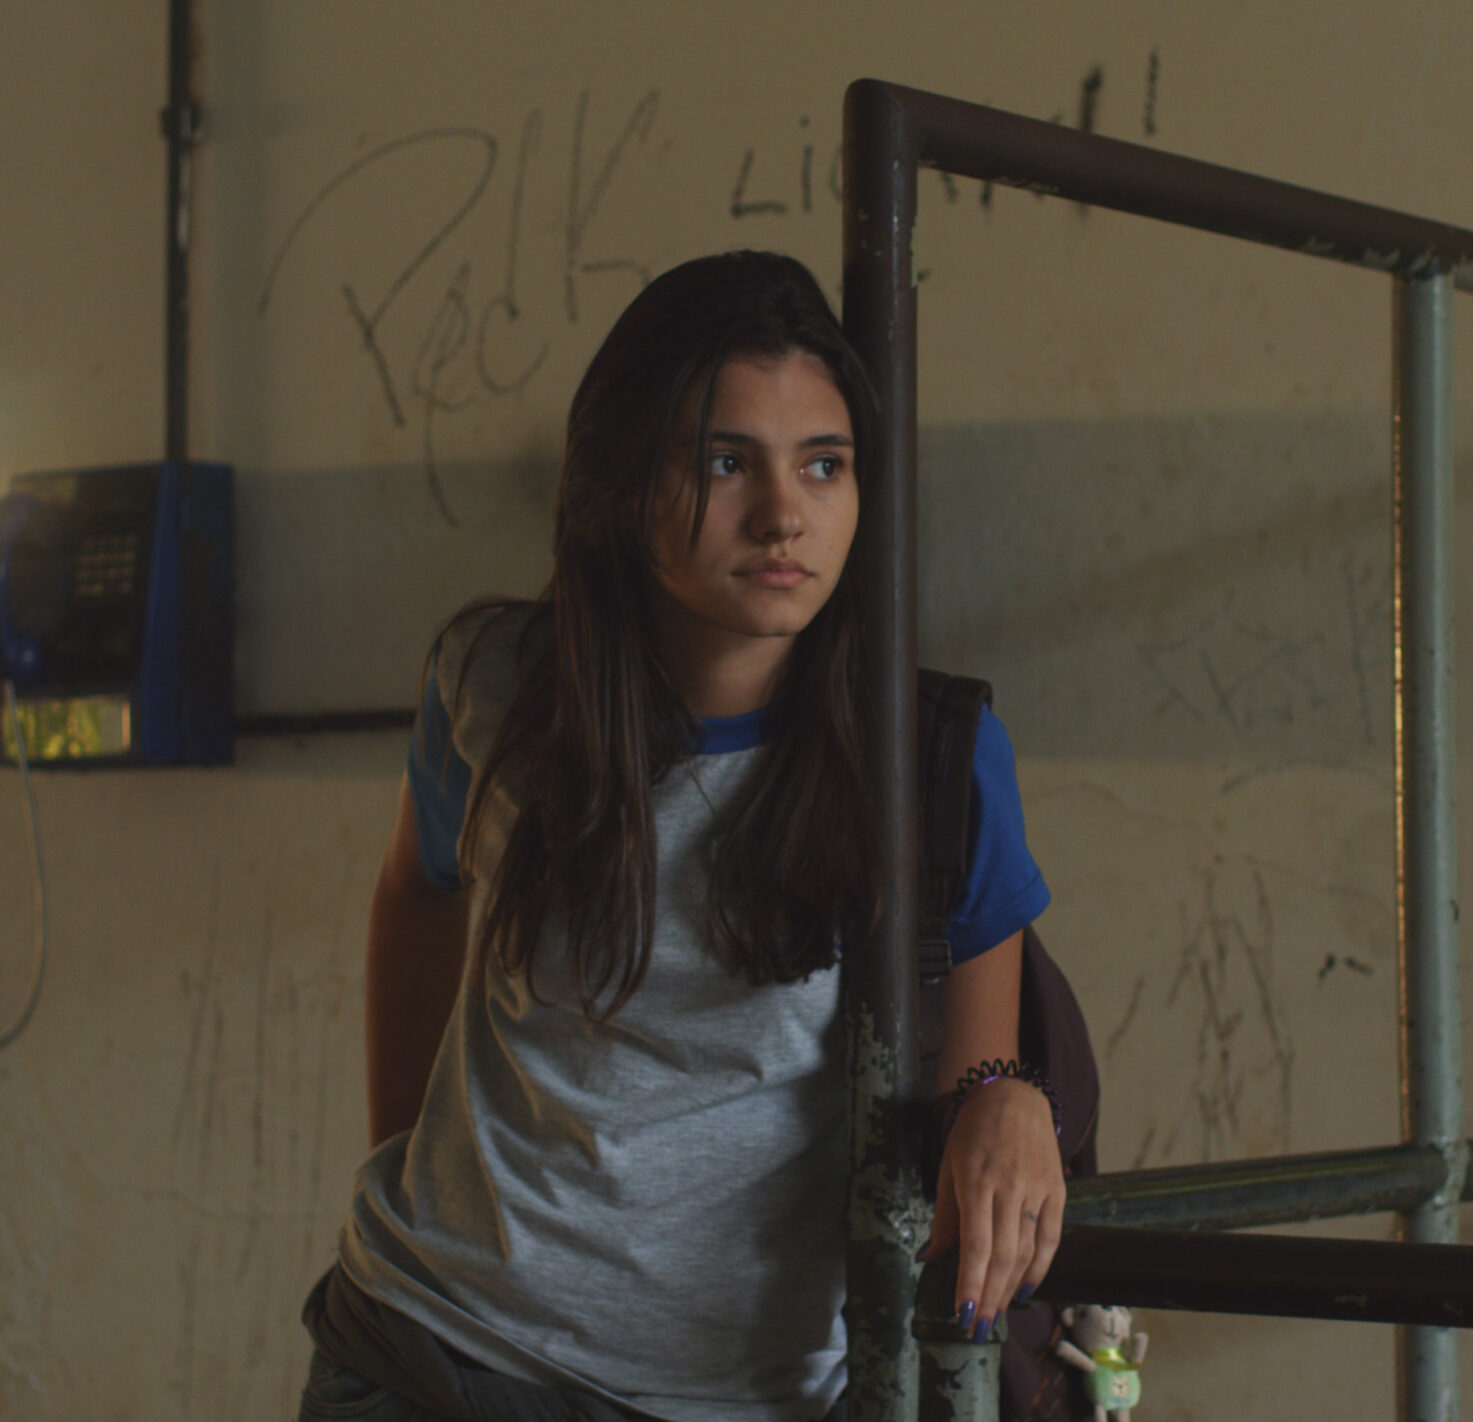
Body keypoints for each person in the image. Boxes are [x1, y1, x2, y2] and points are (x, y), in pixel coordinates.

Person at [300, 251, 1065, 1422]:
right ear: (621, 479)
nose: (783, 515)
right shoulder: (496, 685)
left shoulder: (933, 759)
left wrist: (1008, 1100)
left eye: (824, 465)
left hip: (745, 1394)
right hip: (435, 1354)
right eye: (724, 462)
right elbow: (416, 890)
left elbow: (978, 1080)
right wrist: (406, 1157)